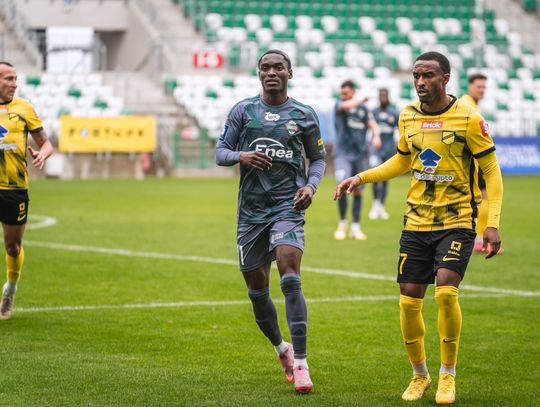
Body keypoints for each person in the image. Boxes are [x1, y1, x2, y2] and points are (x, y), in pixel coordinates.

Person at [334, 52, 503, 405]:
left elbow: (491, 171)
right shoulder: (407, 115)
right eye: (416, 76)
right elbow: (403, 160)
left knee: (445, 292)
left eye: (428, 75)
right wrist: (361, 177)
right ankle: (419, 375)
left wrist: (492, 224)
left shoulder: (469, 118)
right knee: (409, 300)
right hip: (416, 221)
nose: (421, 82)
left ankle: (447, 375)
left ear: (446, 78)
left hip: (457, 219)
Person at [215, 50, 326, 394]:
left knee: (290, 277)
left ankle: (302, 363)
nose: (272, 72)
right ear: (259, 73)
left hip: (287, 207)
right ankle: (282, 349)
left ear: (290, 73)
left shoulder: (303, 114)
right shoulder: (243, 111)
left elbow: (318, 158)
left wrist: (310, 186)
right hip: (251, 213)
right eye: (266, 67)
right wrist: (242, 155)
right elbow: (220, 152)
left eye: (279, 67)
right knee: (257, 291)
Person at [0, 62, 54, 319]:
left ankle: (10, 289)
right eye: (8, 79)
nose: (14, 84)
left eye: (15, 79)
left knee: (13, 247)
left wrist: (42, 154)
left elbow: (47, 144)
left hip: (14, 188)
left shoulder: (24, 108)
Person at [459, 73, 502, 254]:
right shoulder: (467, 105)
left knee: (482, 198)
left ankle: (477, 239)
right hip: (473, 161)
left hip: (473, 160)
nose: (481, 90)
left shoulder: (471, 104)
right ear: (470, 86)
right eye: (478, 86)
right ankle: (478, 239)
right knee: (484, 198)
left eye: (484, 87)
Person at [333, 80, 380, 240]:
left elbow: (373, 124)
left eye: (346, 93)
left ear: (352, 92)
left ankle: (355, 227)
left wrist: (376, 136)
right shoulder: (339, 105)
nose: (343, 96)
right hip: (343, 154)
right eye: (342, 94)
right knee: (342, 186)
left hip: (359, 155)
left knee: (358, 190)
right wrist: (360, 100)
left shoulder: (364, 109)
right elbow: (346, 105)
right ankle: (342, 224)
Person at [368, 88, 399, 220]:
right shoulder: (373, 112)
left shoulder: (394, 113)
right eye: (381, 96)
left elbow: (400, 129)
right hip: (376, 150)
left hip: (388, 150)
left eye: (385, 96)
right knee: (375, 176)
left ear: (388, 97)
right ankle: (375, 205)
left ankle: (381, 206)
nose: (383, 98)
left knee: (386, 178)